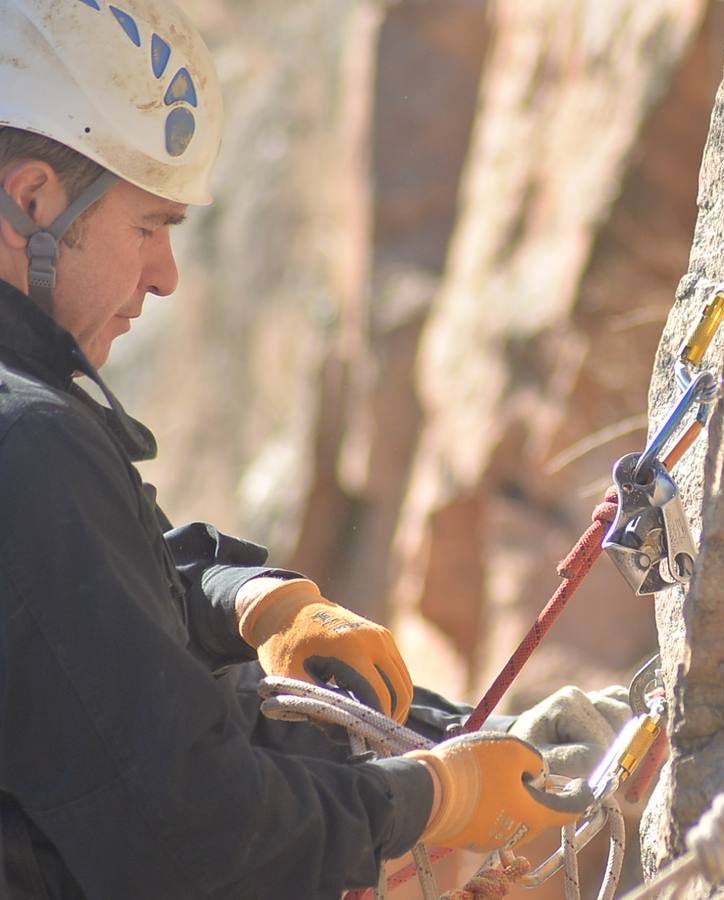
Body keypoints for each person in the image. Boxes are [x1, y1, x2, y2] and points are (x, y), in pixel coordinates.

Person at [0, 1, 631, 896]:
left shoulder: (33, 415)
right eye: (148, 226)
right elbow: (194, 839)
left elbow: (87, 595)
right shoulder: (27, 444)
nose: (164, 275)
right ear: (33, 201)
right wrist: (430, 799)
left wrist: (251, 599)